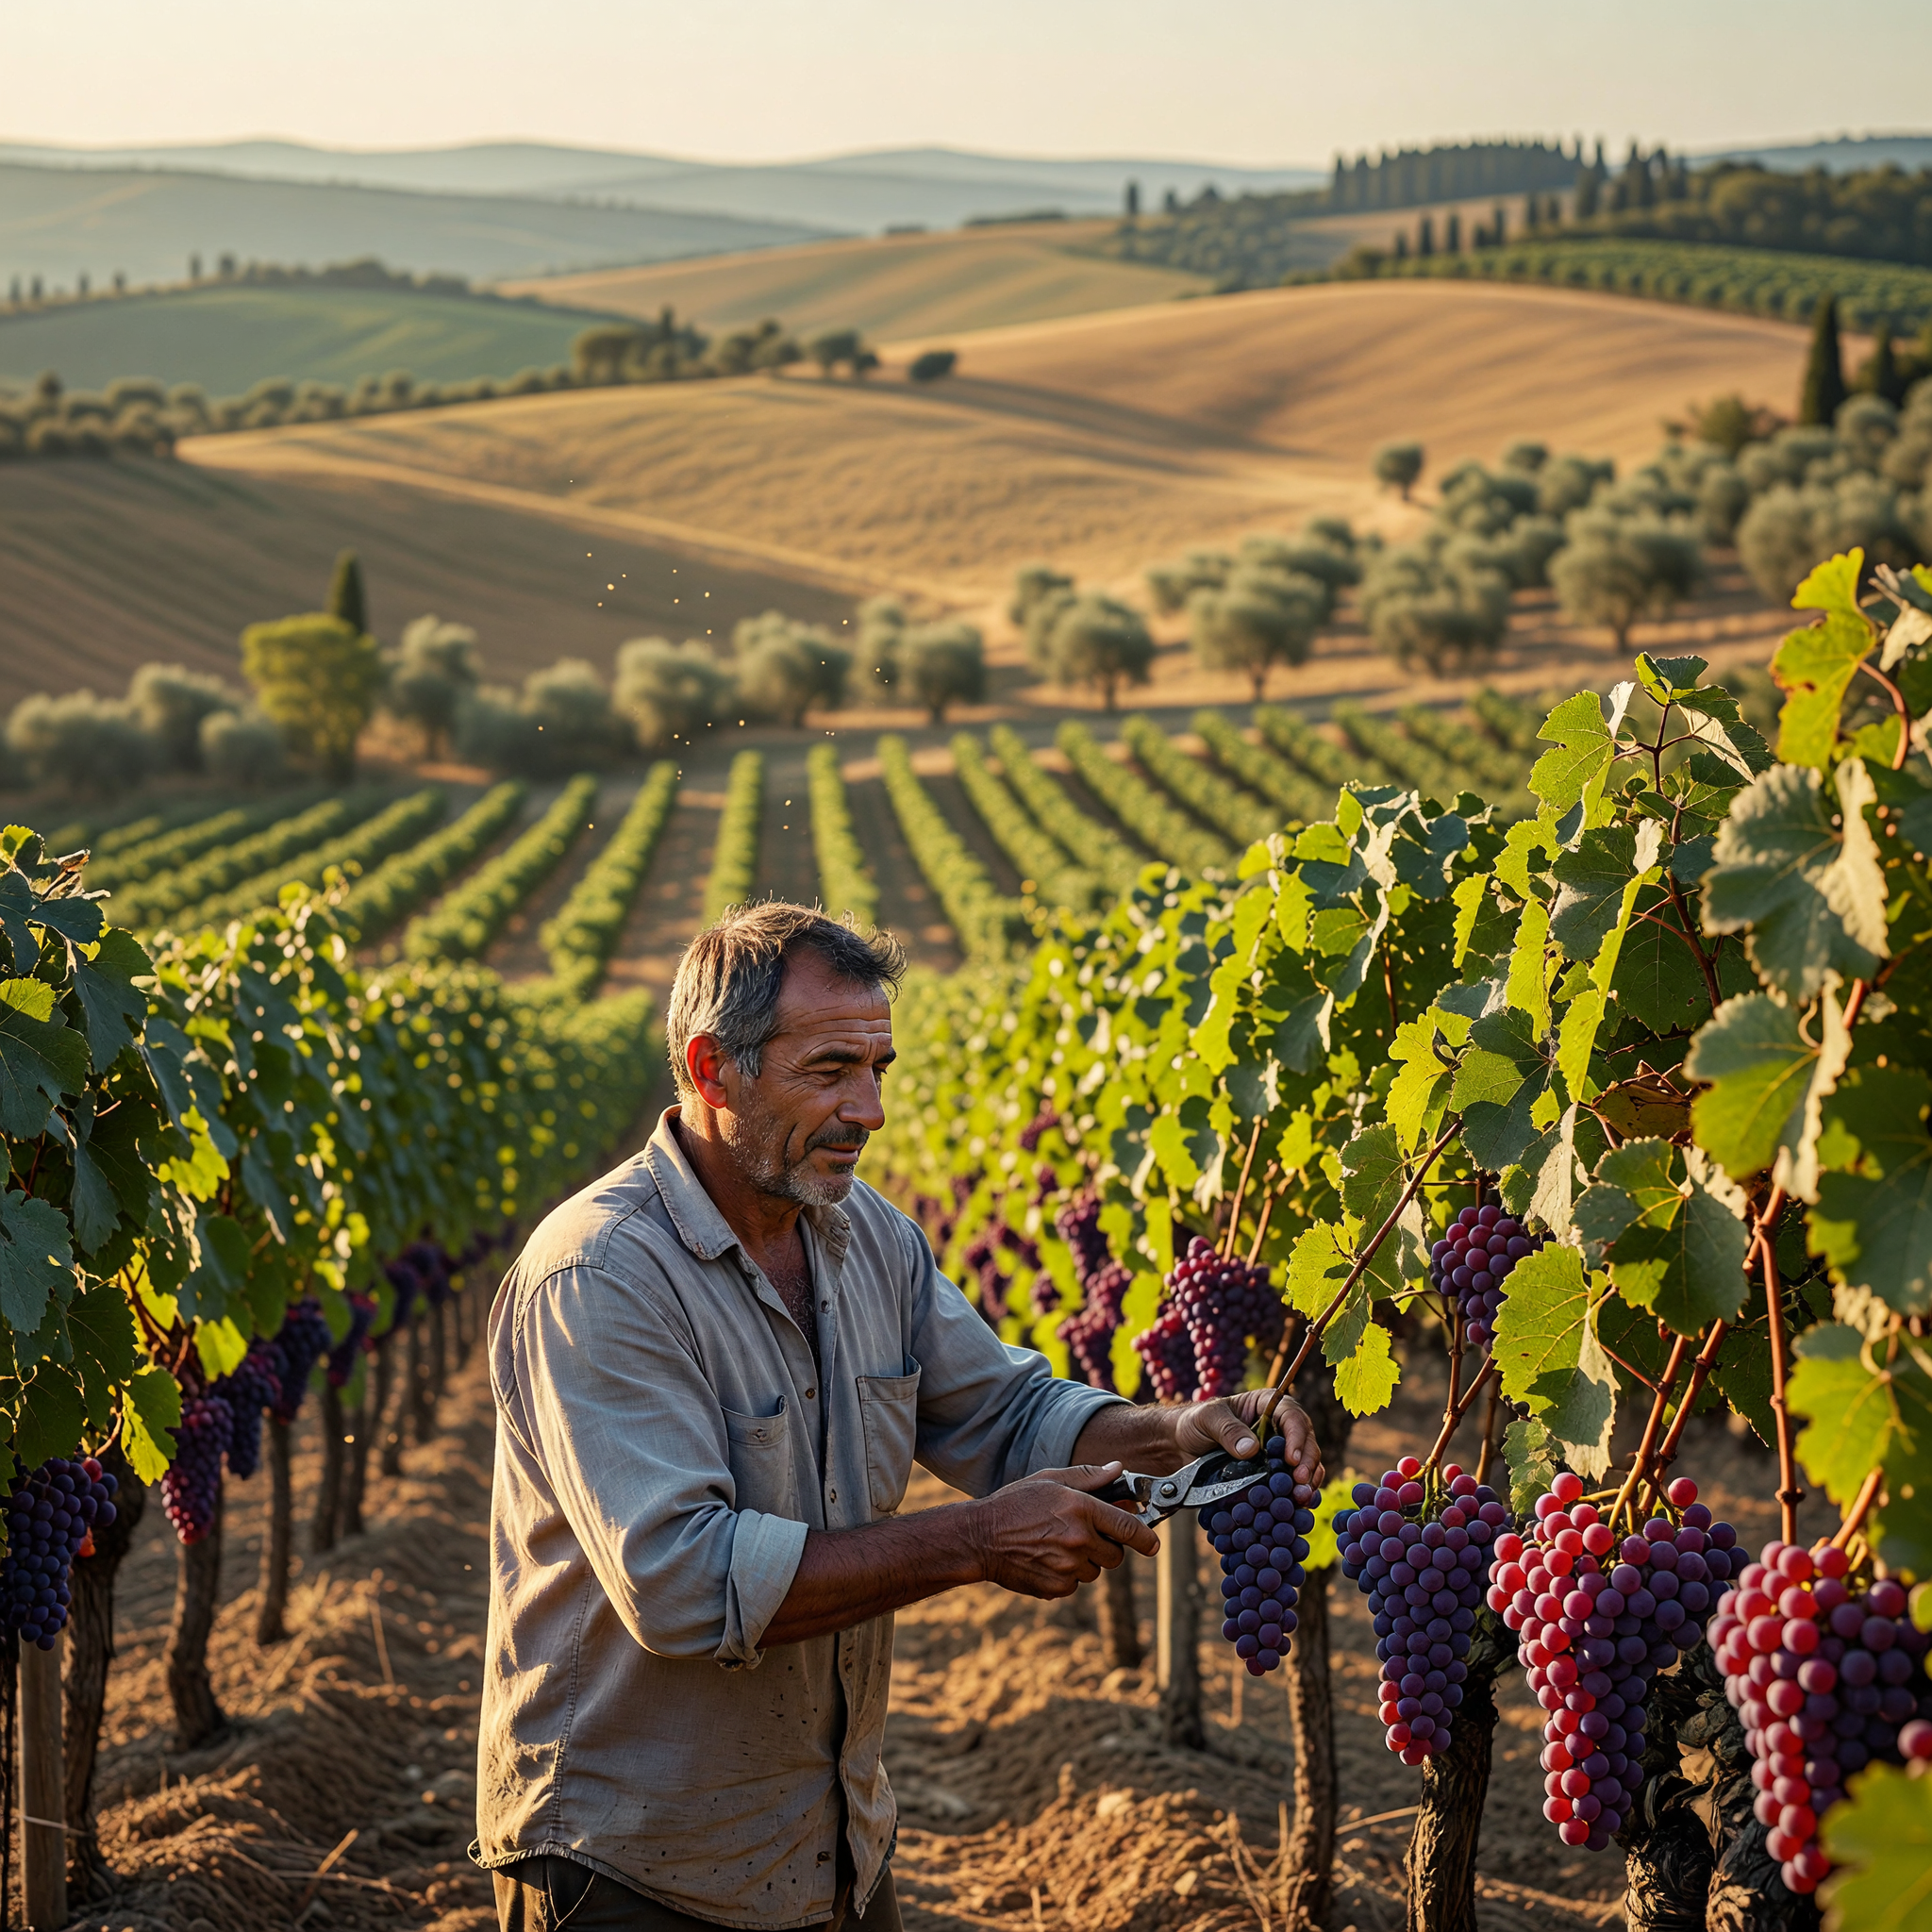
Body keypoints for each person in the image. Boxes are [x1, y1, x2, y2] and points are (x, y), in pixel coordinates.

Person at [477, 903, 1324, 1932]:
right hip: (632, 1870)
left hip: (831, 1845)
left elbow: (1004, 1409)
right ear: (711, 1071)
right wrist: (974, 1538)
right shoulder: (599, 1275)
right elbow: (683, 1582)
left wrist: (1177, 1429)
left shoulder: (862, 1236)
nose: (868, 1108)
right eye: (830, 1069)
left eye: (877, 1068)